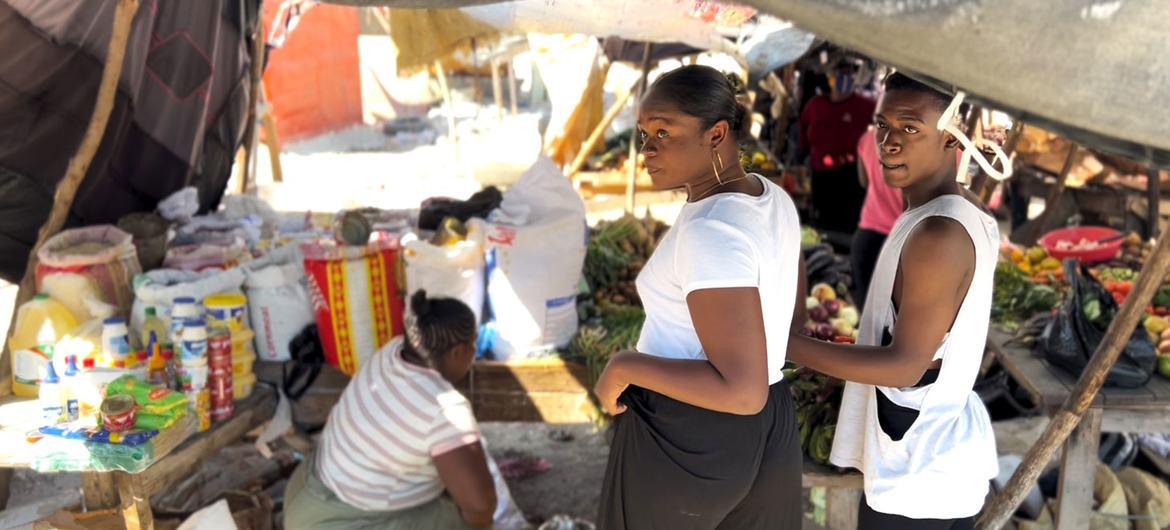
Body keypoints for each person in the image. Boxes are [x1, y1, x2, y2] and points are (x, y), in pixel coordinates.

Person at [592, 64, 805, 529]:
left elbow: (740, 391)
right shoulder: (771, 199)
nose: (647, 149)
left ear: (717, 134)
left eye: (664, 132)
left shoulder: (711, 231)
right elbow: (787, 322)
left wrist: (623, 366)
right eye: (645, 133)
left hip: (690, 432)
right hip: (769, 424)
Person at [786, 72, 999, 529]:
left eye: (910, 127)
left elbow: (904, 365)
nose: (889, 142)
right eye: (883, 126)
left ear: (952, 136)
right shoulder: (948, 212)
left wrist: (787, 345)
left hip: (919, 482)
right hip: (930, 462)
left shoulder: (938, 234)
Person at [284, 291, 496, 530]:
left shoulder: (391, 351)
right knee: (460, 516)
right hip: (340, 523)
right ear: (458, 352)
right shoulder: (444, 410)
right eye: (473, 345)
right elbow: (480, 505)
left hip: (306, 491)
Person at [799, 60, 876, 235]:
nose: (845, 78)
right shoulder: (815, 105)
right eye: (840, 73)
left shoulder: (866, 106)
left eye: (849, 73)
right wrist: (803, 153)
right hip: (821, 174)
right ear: (830, 78)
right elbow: (802, 128)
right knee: (823, 222)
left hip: (850, 176)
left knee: (847, 223)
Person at [851, 125, 904, 308]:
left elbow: (864, 181)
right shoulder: (939, 148)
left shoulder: (869, 137)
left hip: (867, 240)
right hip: (902, 246)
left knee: (864, 318)